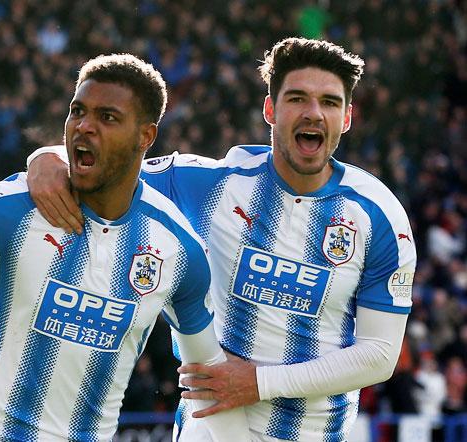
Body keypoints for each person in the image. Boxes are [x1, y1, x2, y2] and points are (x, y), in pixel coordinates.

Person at [0, 54, 249, 441]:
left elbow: (207, 377)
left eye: (107, 117)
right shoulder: (12, 205)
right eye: (77, 111)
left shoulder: (177, 247)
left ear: (146, 136)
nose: (84, 126)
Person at [26, 38, 417, 441]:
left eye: (330, 103)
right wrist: (45, 159)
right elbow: (103, 166)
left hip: (314, 432)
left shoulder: (378, 216)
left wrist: (258, 383)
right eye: (297, 98)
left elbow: (379, 356)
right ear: (270, 110)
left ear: (347, 117)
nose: (314, 113)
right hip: (209, 421)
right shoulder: (212, 183)